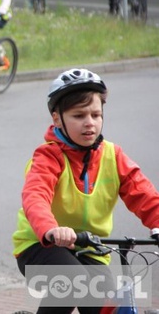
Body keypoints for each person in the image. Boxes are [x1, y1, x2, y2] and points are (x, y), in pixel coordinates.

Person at [12, 68, 159, 313]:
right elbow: (35, 196)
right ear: (57, 118)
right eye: (78, 115)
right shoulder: (48, 156)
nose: (89, 123)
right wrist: (50, 229)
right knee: (71, 281)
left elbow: (143, 193)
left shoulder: (113, 156)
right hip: (41, 245)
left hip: (91, 248)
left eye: (96, 114)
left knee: (106, 307)